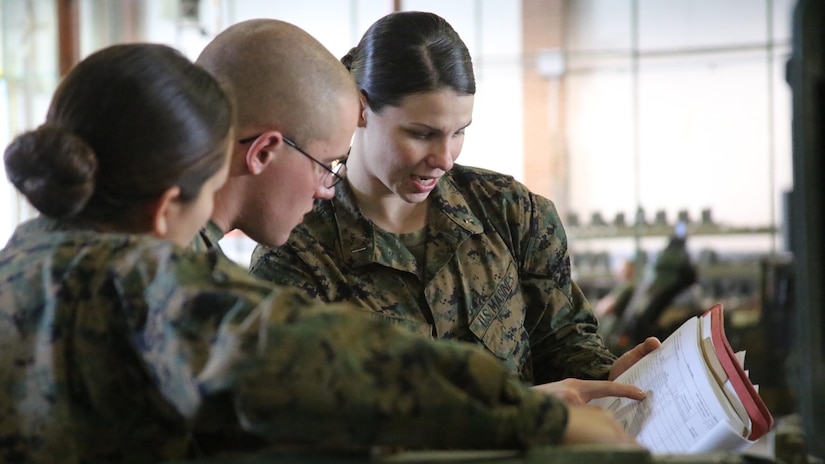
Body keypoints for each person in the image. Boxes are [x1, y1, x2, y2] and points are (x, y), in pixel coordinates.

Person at [0, 42, 638, 462]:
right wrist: (536, 418)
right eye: (328, 162)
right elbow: (333, 361)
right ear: (173, 201)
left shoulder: (27, 262)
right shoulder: (149, 287)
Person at [250, 11, 659, 392]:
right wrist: (524, 413)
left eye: (459, 132)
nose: (444, 159)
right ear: (361, 108)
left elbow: (563, 344)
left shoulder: (510, 213)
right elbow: (313, 415)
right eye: (421, 133)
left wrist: (607, 376)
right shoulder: (298, 250)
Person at [190, 18, 357, 253]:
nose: (326, 191)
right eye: (324, 166)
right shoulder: (191, 278)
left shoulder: (143, 235)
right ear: (262, 153)